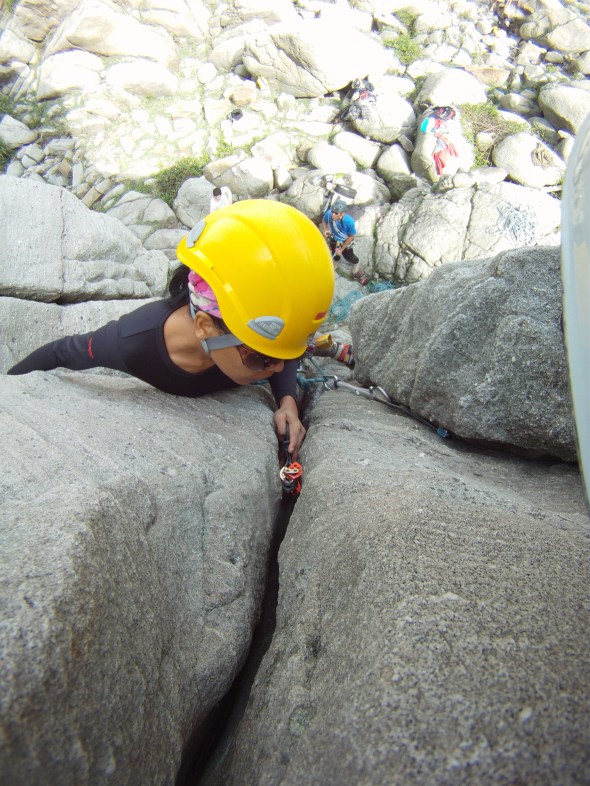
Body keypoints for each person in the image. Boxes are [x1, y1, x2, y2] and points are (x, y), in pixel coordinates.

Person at [7, 200, 335, 457]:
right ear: (205, 327)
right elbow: (62, 351)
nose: (276, 367)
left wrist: (287, 400)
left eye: (282, 354)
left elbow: (283, 348)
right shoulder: (131, 343)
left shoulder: (256, 332)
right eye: (259, 358)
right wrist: (8, 389)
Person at [321, 199, 359, 266]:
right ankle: (336, 260)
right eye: (332, 211)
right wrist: (326, 229)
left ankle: (356, 263)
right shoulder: (329, 214)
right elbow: (324, 220)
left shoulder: (349, 222)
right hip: (335, 239)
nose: (333, 214)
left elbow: (351, 236)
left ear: (343, 213)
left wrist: (341, 249)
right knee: (335, 253)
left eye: (336, 213)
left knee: (349, 257)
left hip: (345, 240)